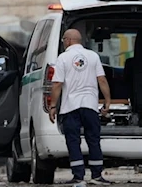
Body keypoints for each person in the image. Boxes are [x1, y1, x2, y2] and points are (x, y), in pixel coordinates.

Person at [48, 29, 112, 185]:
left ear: (68, 40)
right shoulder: (93, 56)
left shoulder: (63, 58)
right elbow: (102, 80)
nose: (63, 42)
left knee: (73, 140)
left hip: (71, 107)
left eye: (64, 40)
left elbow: (57, 84)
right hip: (90, 105)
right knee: (93, 139)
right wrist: (107, 101)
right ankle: (97, 176)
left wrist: (53, 105)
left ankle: (78, 177)